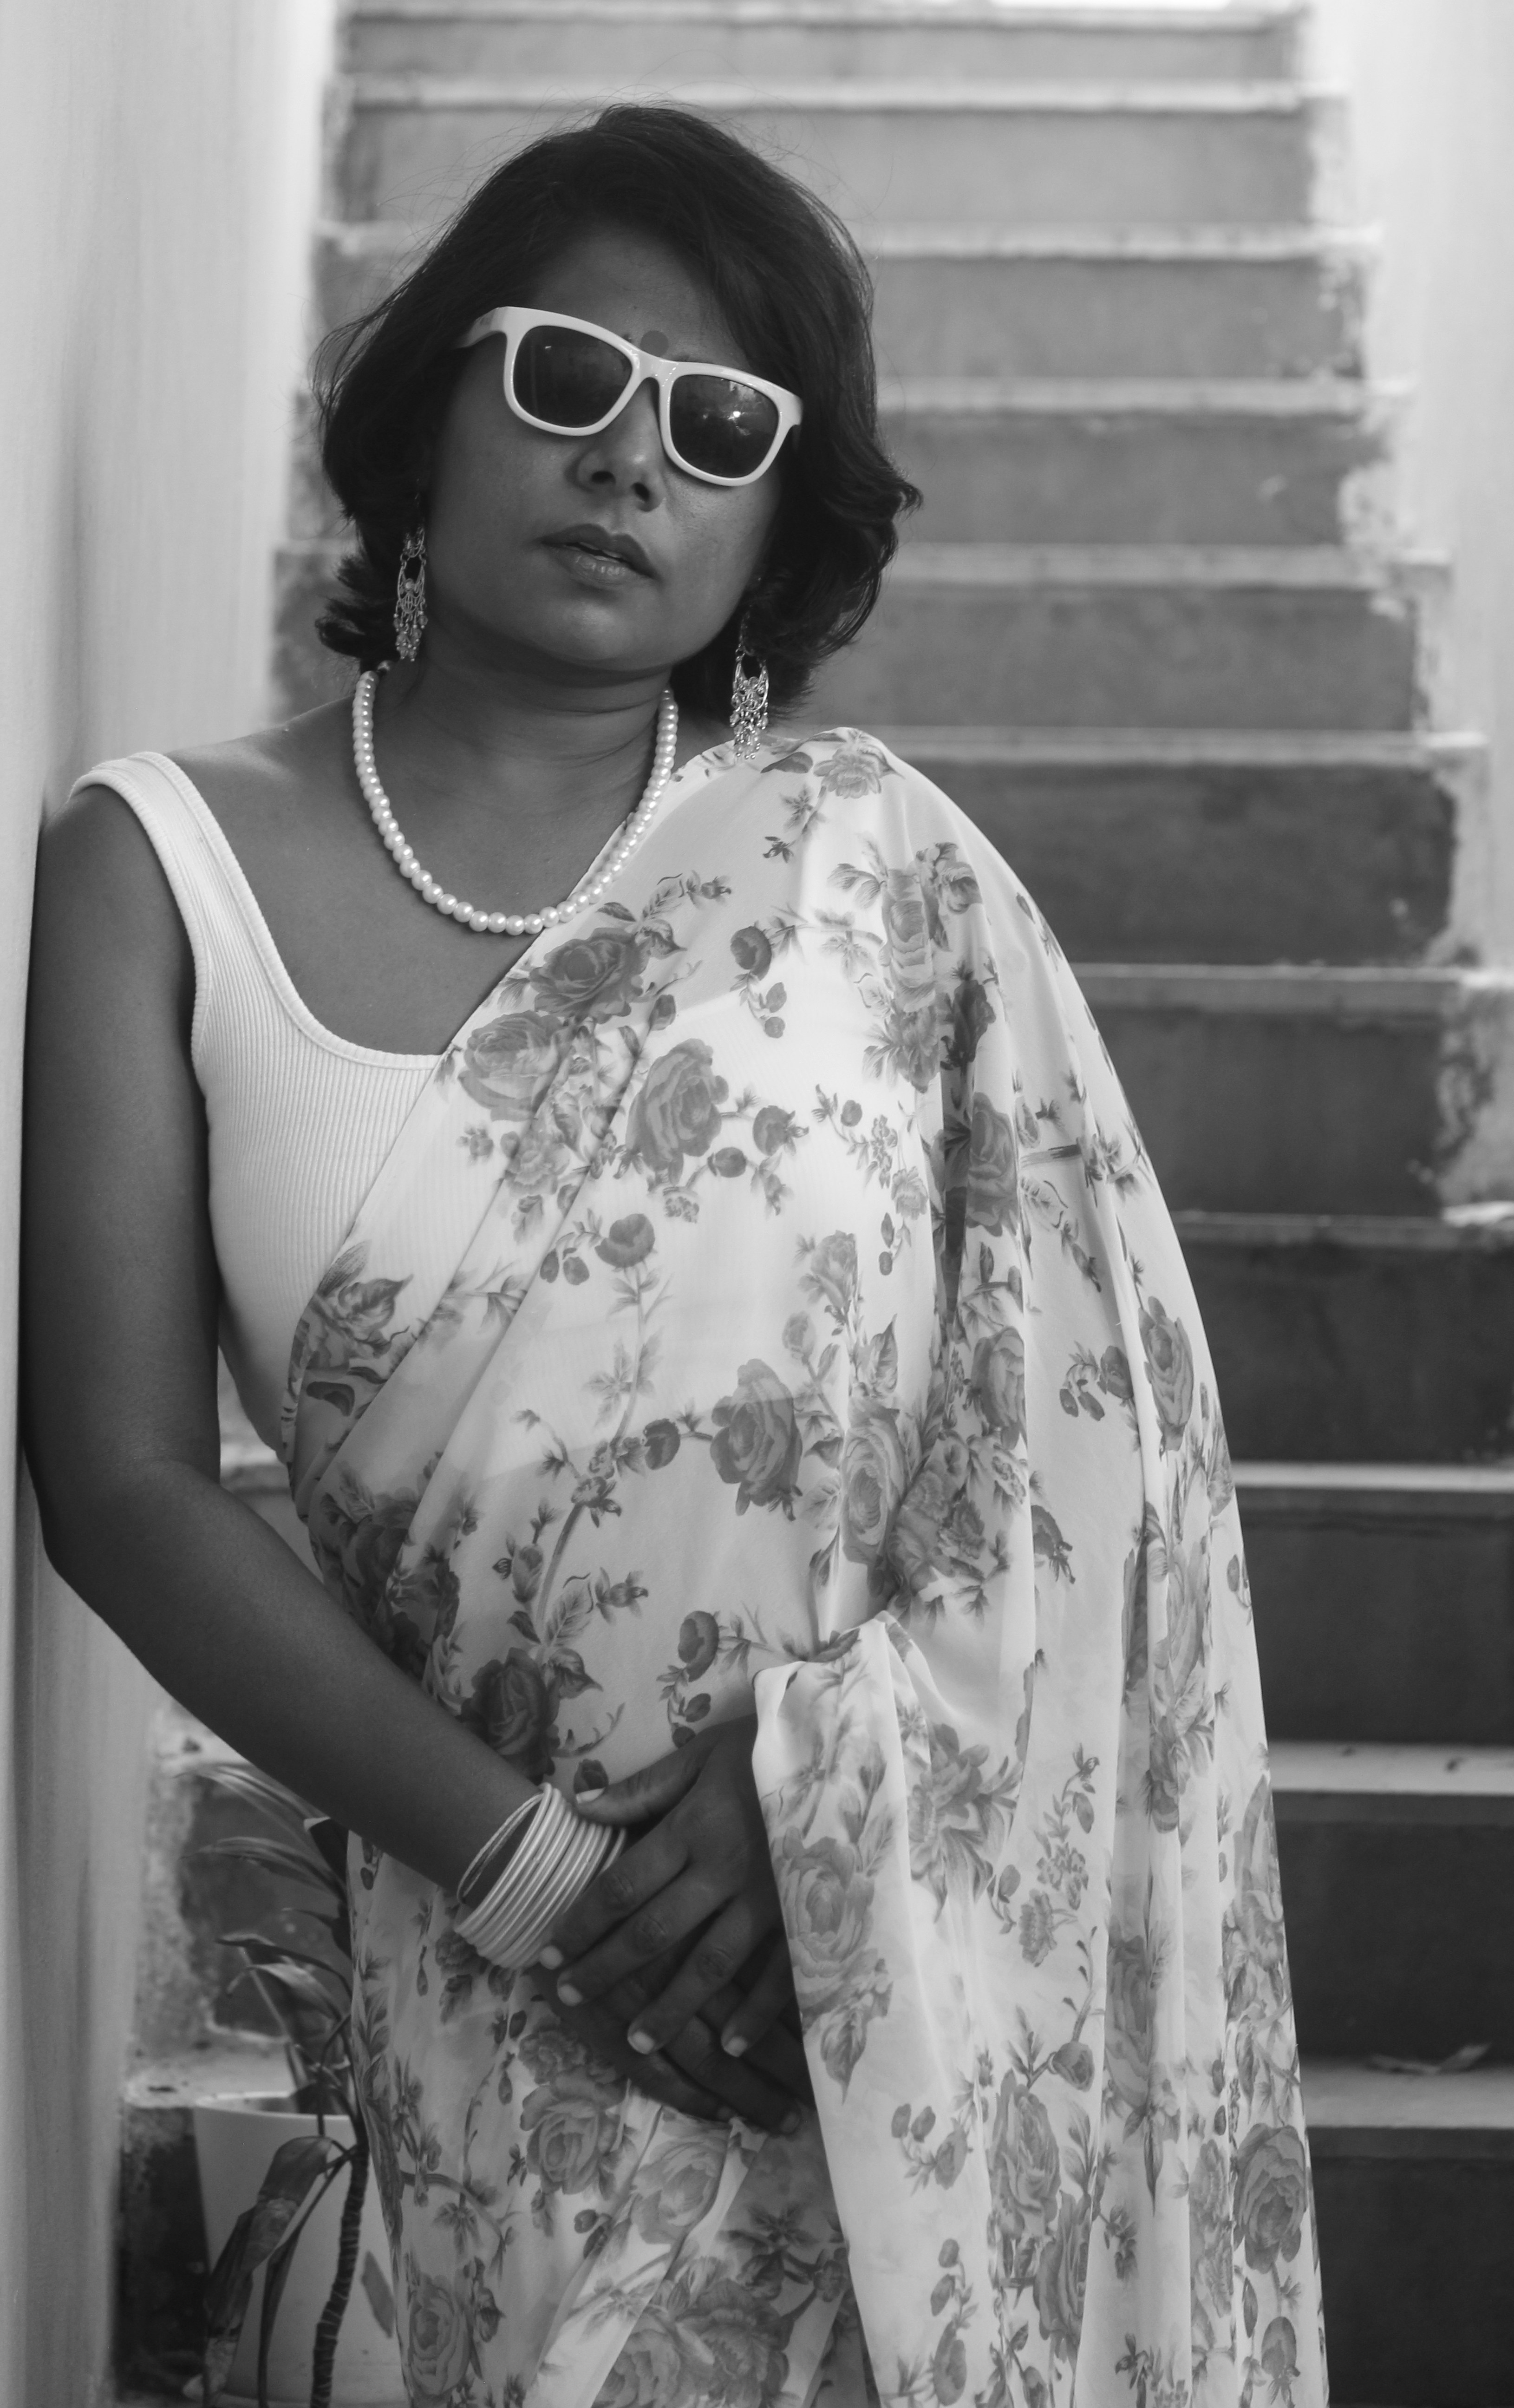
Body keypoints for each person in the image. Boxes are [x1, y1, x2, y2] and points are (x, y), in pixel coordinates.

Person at [23, 105, 1325, 2408]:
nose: (630, 457)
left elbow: (1087, 1442)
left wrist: (813, 1796)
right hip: (501, 1963)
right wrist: (539, 1881)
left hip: (909, 1969)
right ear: (424, 410)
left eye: (716, 423)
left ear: (771, 524)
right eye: (559, 378)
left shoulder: (881, 878)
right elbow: (117, 1480)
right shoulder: (158, 866)